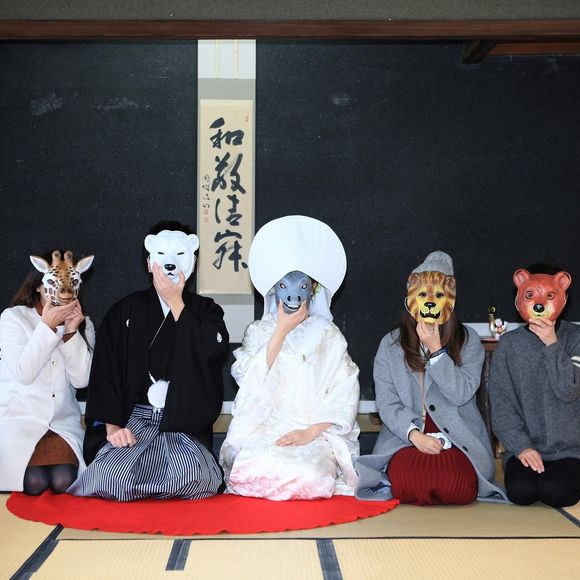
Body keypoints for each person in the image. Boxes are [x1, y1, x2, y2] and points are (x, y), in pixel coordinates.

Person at [68, 221, 228, 501]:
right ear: (148, 263)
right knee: (110, 478)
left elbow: (211, 350)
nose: (170, 264)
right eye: (161, 255)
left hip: (182, 422)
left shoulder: (206, 311)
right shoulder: (124, 311)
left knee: (195, 477)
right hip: (134, 420)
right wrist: (112, 426)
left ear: (192, 262)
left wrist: (177, 304)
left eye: (179, 255)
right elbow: (106, 371)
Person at [220, 215, 360, 500]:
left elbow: (345, 390)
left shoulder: (328, 334)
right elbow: (248, 379)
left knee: (308, 475)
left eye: (302, 286)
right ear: (275, 288)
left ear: (313, 288)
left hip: (313, 430)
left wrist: (311, 432)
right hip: (264, 426)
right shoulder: (259, 331)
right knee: (249, 469)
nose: (293, 295)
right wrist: (281, 331)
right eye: (284, 286)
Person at [356, 251, 506, 504]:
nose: (429, 302)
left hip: (458, 439)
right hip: (405, 439)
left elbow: (462, 394)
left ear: (450, 299)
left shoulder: (468, 340)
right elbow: (387, 403)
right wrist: (415, 435)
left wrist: (437, 352)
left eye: (438, 295)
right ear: (411, 297)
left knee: (455, 486)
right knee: (409, 483)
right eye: (423, 294)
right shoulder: (391, 344)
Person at [0, 250, 95, 495]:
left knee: (64, 480)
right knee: (35, 483)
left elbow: (82, 380)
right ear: (37, 286)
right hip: (21, 421)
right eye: (53, 284)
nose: (62, 293)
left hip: (62, 424)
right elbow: (24, 372)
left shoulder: (83, 322)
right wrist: (48, 326)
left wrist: (71, 332)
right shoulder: (13, 318)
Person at [489, 264, 580, 507]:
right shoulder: (509, 345)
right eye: (530, 295)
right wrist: (521, 447)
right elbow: (502, 404)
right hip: (524, 448)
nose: (539, 303)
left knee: (555, 492)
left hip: (570, 451)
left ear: (563, 296)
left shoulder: (576, 338)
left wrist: (552, 344)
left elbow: (568, 390)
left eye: (549, 295)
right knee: (522, 492)